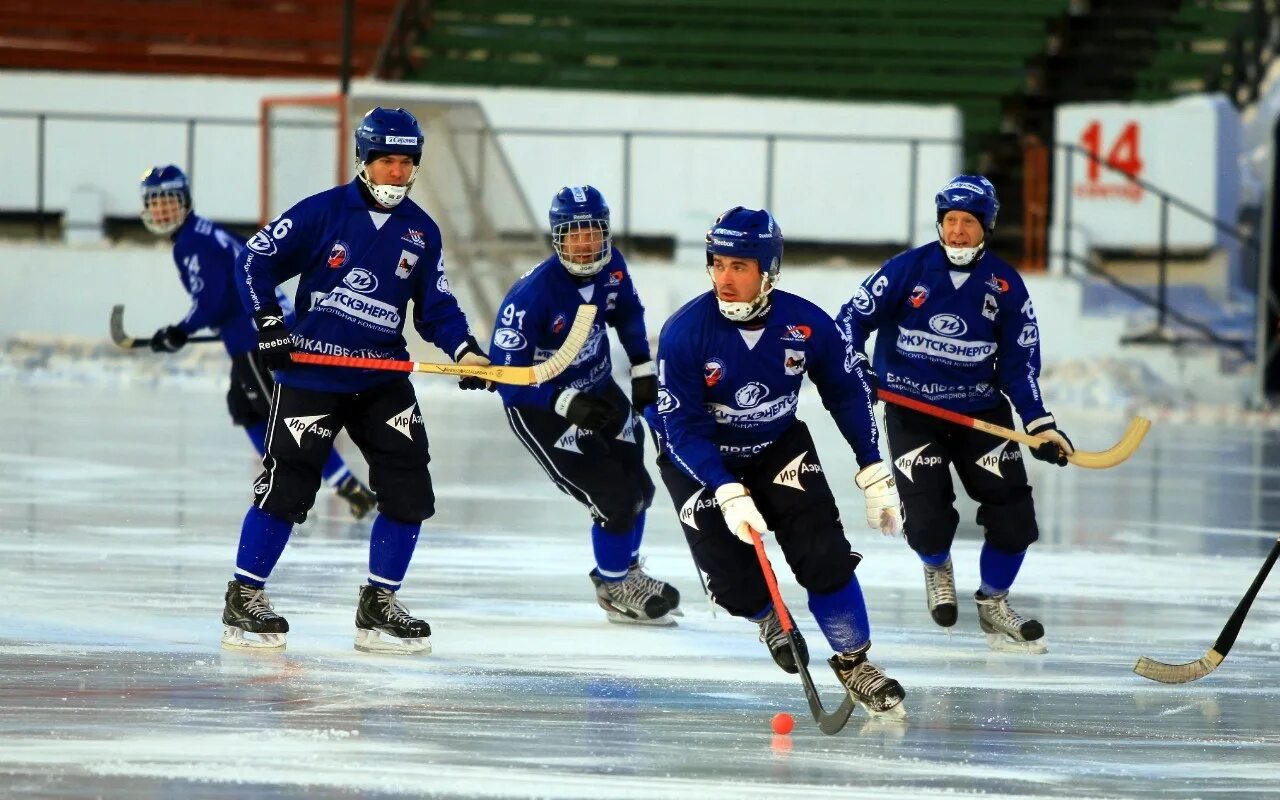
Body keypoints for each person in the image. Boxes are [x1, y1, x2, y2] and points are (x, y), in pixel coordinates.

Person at [218, 107, 492, 654]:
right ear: (364, 160)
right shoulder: (323, 212)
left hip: (381, 377)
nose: (395, 172)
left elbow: (434, 305)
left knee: (409, 487)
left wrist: (464, 348)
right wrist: (269, 322)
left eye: (405, 162)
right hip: (313, 375)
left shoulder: (422, 231)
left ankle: (379, 603)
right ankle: (244, 596)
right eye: (385, 160)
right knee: (289, 486)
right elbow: (256, 261)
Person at [650, 206, 906, 716]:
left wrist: (873, 466)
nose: (725, 278)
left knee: (824, 556)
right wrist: (725, 488)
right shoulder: (684, 334)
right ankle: (769, 614)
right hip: (699, 461)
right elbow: (681, 428)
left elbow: (847, 393)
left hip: (777, 448)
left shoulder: (806, 325)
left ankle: (855, 662)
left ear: (768, 272)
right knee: (731, 580)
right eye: (717, 264)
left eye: (739, 267)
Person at [838, 175, 1073, 655]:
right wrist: (859, 366)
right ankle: (937, 566)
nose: (958, 231)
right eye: (950, 221)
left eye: (968, 222)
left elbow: (1019, 363)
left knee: (1014, 518)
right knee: (926, 520)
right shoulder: (907, 269)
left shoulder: (1006, 284)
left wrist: (1039, 422)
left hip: (979, 412)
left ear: (986, 226)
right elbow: (849, 321)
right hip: (912, 411)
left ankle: (994, 605)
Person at [138, 165, 376, 520]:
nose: (162, 210)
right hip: (252, 338)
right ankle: (284, 471)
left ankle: (339, 487)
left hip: (258, 341)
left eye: (169, 201)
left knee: (286, 420)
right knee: (245, 408)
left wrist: (180, 330)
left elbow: (213, 300)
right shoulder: (203, 233)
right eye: (155, 203)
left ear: (185, 201)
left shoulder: (193, 241)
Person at [488, 185, 680, 625]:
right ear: (557, 238)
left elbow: (627, 310)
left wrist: (641, 367)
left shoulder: (611, 266)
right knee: (613, 497)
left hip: (598, 386)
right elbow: (507, 381)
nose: (584, 243)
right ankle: (614, 587)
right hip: (542, 408)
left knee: (642, 490)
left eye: (592, 232)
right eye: (573, 234)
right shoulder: (530, 298)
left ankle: (625, 571)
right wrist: (563, 403)